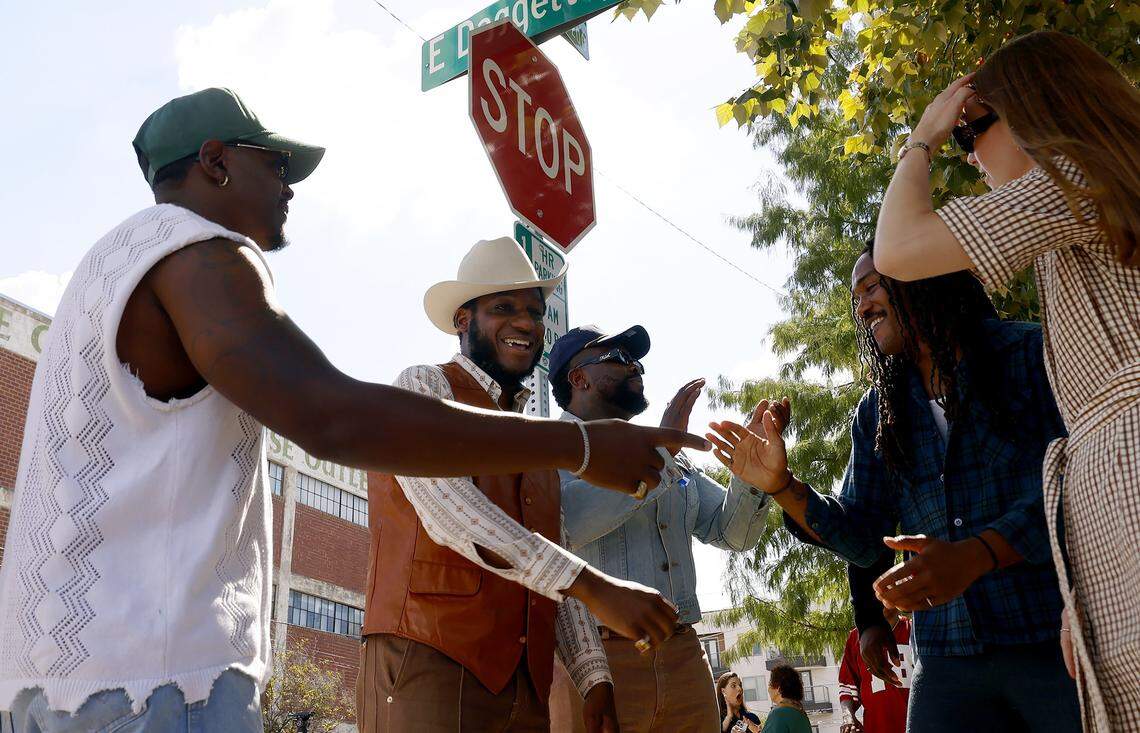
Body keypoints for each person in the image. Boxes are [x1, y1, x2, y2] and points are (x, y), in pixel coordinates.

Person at [0, 89, 706, 732]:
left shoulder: (111, 264)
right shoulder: (201, 256)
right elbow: (333, 417)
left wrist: (590, 670)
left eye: (533, 308)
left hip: (67, 667)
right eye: (275, 164)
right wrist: (577, 446)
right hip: (155, 676)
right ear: (214, 162)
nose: (289, 187)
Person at [872, 31, 1140, 731]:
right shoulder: (1099, 196)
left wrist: (922, 138)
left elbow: (896, 248)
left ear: (1030, 115)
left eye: (973, 132)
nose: (968, 156)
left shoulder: (1074, 179)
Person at [707, 242, 1081, 731]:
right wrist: (782, 486)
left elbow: (1076, 482)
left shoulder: (1034, 355)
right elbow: (864, 537)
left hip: (1054, 638)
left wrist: (977, 554)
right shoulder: (878, 410)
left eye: (871, 287)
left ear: (923, 272)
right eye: (855, 296)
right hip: (945, 656)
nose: (861, 307)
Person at [359, 239, 686, 732]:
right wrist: (597, 587)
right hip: (426, 663)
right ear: (462, 320)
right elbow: (454, 517)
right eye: (503, 307)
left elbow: (557, 545)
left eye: (534, 311)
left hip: (523, 688)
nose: (526, 323)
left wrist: (594, 679)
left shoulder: (536, 437)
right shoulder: (423, 385)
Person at [546, 325, 772, 733]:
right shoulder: (548, 447)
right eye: (617, 358)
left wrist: (752, 475)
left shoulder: (667, 458)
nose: (635, 367)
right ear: (577, 379)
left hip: (684, 655)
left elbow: (731, 533)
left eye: (637, 360)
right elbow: (569, 526)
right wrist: (661, 457)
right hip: (595, 664)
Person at [837, 612, 911, 733]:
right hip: (876, 727)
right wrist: (848, 718)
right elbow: (847, 687)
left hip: (916, 725)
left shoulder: (914, 631)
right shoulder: (856, 637)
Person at [760, 665, 812, 733]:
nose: (768, 688)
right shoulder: (800, 713)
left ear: (778, 689)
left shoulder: (778, 713)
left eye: (770, 683)